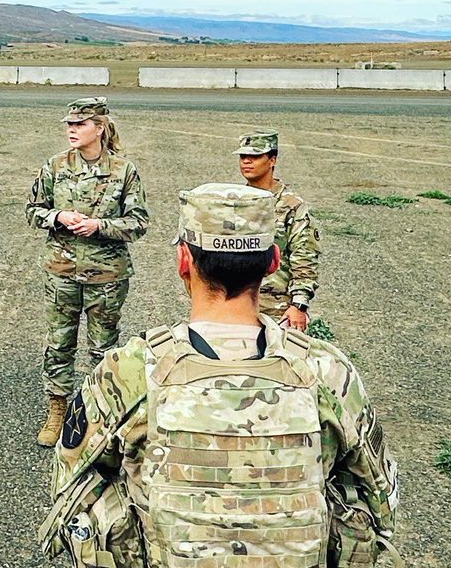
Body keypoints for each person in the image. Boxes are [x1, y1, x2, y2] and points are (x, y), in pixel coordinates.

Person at [43, 183, 400, 568]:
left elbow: (68, 488)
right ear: (274, 261)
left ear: (184, 261)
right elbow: (380, 500)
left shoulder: (130, 370)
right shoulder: (327, 371)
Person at [27, 97, 149, 448]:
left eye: (79, 124)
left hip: (106, 276)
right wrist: (57, 217)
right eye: (69, 124)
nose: (71, 130)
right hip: (61, 270)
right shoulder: (55, 167)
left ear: (100, 127)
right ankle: (58, 410)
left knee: (103, 349)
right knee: (59, 343)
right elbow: (32, 210)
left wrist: (100, 225)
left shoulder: (124, 171)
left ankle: (99, 413)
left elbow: (139, 224)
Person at [235, 129, 320, 330]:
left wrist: (299, 304)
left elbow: (305, 256)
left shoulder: (292, 206)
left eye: (255, 156)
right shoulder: (234, 201)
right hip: (237, 305)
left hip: (277, 309)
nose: (247, 161)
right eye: (243, 156)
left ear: (272, 160)